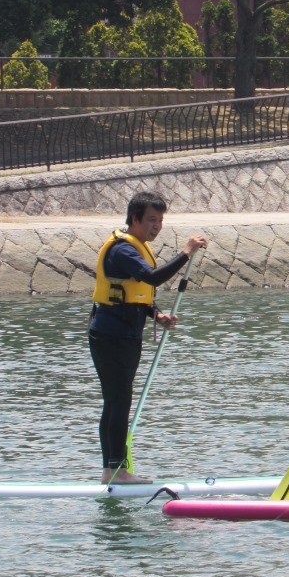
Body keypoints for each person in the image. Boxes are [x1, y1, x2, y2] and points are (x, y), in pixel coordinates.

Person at [89, 191, 207, 484]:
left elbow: (136, 295)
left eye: (160, 220)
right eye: (152, 220)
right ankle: (116, 471)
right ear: (135, 218)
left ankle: (111, 470)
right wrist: (186, 253)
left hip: (122, 333)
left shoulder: (136, 247)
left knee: (116, 401)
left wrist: (158, 316)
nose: (157, 226)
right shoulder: (123, 250)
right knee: (119, 401)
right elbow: (153, 279)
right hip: (112, 335)